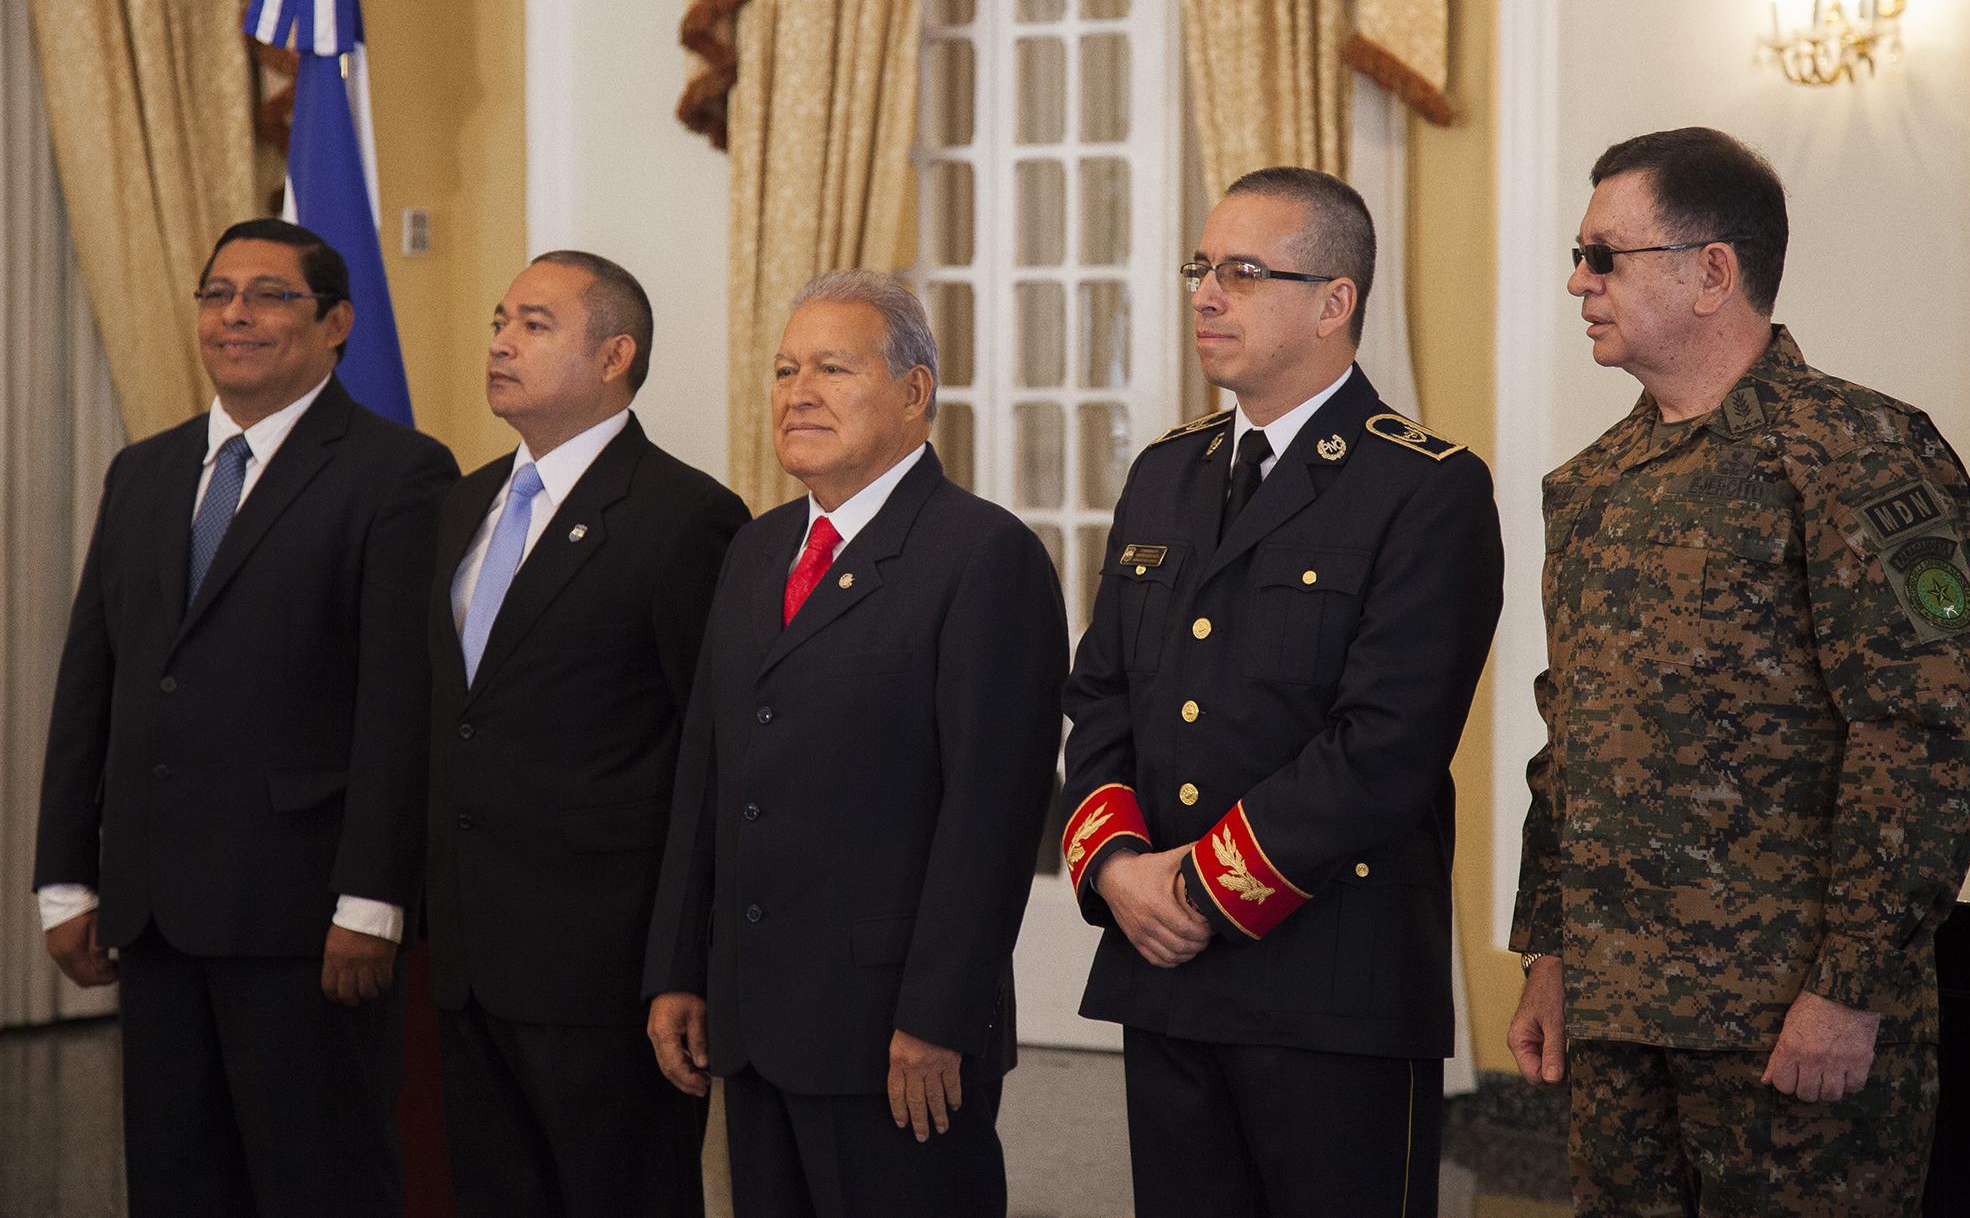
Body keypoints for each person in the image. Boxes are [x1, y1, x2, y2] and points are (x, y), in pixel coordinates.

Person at [1508, 127, 1970, 1216]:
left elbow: (1926, 737)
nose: (1576, 281)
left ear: (1710, 271)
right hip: (1619, 1018)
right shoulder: (1590, 485)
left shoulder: (1866, 452)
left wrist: (1848, 985)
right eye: (1577, 255)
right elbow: (1570, 740)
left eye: (1602, 255)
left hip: (1785, 1019)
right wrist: (1548, 949)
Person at [1059, 166, 1504, 1216]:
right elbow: (1100, 693)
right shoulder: (1164, 471)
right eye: (1201, 268)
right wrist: (1118, 867)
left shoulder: (1423, 485)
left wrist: (1196, 892)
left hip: (1325, 984)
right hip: (1161, 975)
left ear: (1332, 301)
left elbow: (1384, 743)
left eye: (1243, 271)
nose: (1206, 293)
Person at [34, 218, 457, 1215]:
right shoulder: (144, 470)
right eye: (218, 292)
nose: (236, 315)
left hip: (305, 917)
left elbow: (400, 703)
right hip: (155, 908)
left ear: (337, 321)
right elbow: (93, 678)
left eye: (269, 294)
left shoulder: (398, 472)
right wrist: (64, 874)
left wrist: (371, 899)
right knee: (178, 1183)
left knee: (321, 1181)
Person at [643, 269, 1067, 1217]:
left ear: (916, 392)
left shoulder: (982, 556)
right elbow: (709, 777)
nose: (799, 392)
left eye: (833, 368)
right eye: (787, 369)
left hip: (896, 1035)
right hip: (753, 1021)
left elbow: (992, 818)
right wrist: (679, 967)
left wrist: (938, 1015)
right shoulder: (757, 551)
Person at [425, 251, 746, 1215]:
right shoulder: (461, 503)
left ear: (615, 355)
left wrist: (682, 962)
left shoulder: (684, 517)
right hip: (469, 958)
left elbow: (711, 754)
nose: (498, 341)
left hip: (606, 971)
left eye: (533, 323)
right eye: (497, 318)